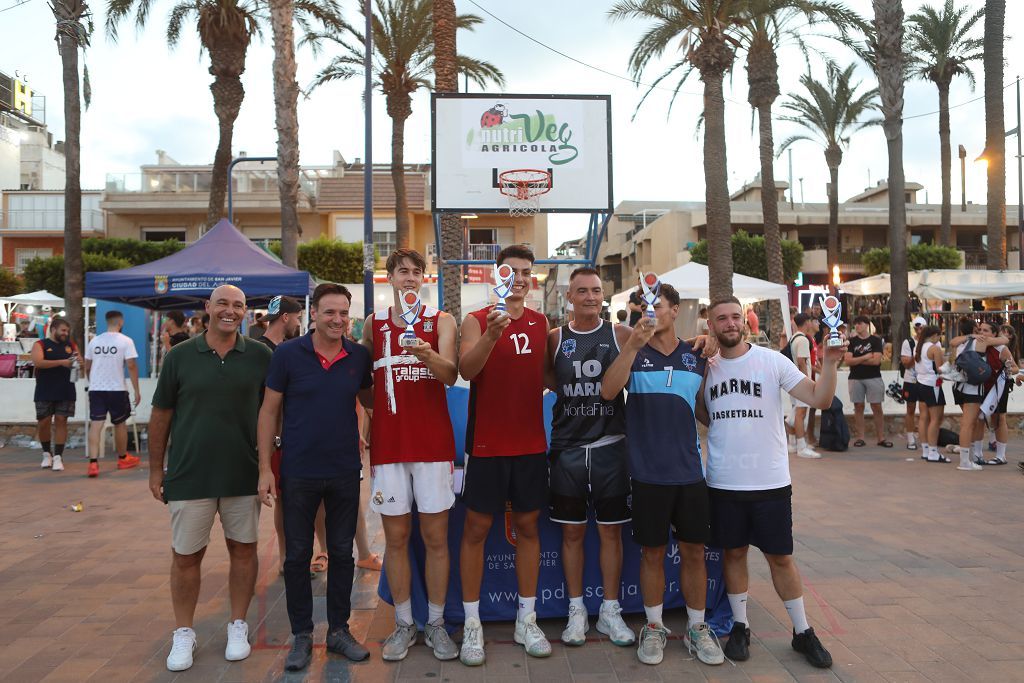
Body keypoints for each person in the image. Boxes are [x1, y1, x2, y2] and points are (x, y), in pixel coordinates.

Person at [699, 296, 842, 669]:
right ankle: (741, 627)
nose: (729, 323)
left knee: (781, 558)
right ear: (710, 325)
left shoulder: (771, 360)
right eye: (721, 319)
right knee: (733, 554)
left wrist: (828, 363)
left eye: (735, 317)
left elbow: (820, 398)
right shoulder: (705, 368)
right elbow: (698, 413)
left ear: (744, 322)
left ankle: (802, 631)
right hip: (724, 481)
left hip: (770, 480)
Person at [149, 285, 272, 672]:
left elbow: (273, 414)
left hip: (242, 473)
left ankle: (238, 624)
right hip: (189, 474)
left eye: (238, 305)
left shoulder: (261, 356)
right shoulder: (181, 356)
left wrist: (269, 467)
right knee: (186, 556)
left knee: (244, 551)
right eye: (223, 303)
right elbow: (161, 415)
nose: (230, 311)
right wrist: (156, 469)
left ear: (246, 313)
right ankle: (183, 632)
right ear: (207, 308)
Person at [600, 283, 723, 667]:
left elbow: (703, 410)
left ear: (675, 310)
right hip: (646, 475)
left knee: (694, 554)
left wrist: (712, 339)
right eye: (642, 306)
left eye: (656, 305)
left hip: (689, 474)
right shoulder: (633, 352)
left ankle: (698, 628)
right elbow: (607, 391)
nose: (648, 312)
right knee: (652, 554)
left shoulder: (696, 354)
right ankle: (653, 627)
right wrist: (633, 346)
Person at [257, 283, 373, 671]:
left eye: (344, 313)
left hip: (342, 470)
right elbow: (269, 411)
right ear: (314, 315)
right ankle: (302, 635)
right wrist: (264, 469)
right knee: (297, 557)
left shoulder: (358, 356)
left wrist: (363, 434)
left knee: (342, 553)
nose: (338, 320)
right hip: (298, 470)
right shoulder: (289, 354)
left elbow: (369, 403)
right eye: (330, 313)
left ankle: (339, 630)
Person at [361, 248, 459, 662]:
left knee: (436, 538)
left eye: (418, 272)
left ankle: (435, 623)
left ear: (425, 279)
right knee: (396, 539)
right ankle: (404, 623)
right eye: (403, 271)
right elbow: (366, 383)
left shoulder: (443, 321)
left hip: (433, 445)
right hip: (390, 447)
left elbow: (452, 374)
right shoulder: (374, 323)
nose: (411, 277)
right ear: (390, 278)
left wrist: (427, 354)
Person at [457, 245, 550, 666]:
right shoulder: (477, 320)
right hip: (487, 445)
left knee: (529, 529)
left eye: (527, 271)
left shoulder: (541, 321)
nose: (520, 277)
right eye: (512, 271)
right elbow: (466, 371)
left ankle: (526, 618)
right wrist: (493, 334)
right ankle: (473, 624)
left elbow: (551, 374)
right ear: (497, 276)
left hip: (530, 445)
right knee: (476, 530)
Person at [545, 267, 636, 652]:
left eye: (596, 291)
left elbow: (665, 344)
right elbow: (550, 382)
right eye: (581, 291)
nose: (590, 297)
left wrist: (704, 340)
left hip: (611, 446)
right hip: (567, 447)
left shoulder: (620, 335)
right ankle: (577, 610)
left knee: (611, 531)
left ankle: (611, 610)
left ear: (604, 295)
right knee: (571, 532)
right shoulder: (555, 339)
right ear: (569, 297)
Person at [254, 295, 305, 574]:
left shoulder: (280, 349)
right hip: (273, 439)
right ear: (285, 317)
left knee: (288, 501)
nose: (298, 323)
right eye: (297, 317)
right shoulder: (264, 351)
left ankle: (291, 556)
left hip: (286, 437)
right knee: (282, 501)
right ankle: (286, 557)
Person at [83, 310, 142, 477]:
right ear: (120, 322)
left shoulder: (94, 341)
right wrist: (137, 390)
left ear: (107, 322)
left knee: (96, 424)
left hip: (96, 389)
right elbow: (131, 366)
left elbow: (87, 366)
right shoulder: (126, 341)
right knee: (120, 423)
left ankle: (93, 463)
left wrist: (93, 380)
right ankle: (123, 458)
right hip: (117, 389)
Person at [31, 317, 79, 472]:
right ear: (53, 330)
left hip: (66, 389)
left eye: (67, 331)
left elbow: (80, 360)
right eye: (63, 330)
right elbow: (38, 362)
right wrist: (61, 362)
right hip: (45, 389)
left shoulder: (70, 345)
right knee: (43, 422)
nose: (66, 333)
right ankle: (47, 453)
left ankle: (58, 456)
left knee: (61, 421)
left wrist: (80, 362)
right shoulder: (40, 344)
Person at [844, 315, 890, 448]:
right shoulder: (851, 341)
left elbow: (876, 361)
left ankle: (881, 437)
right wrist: (866, 356)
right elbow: (848, 361)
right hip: (855, 378)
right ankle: (860, 437)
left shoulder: (875, 340)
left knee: (877, 407)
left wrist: (857, 360)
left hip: (873, 377)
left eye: (860, 323)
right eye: (856, 323)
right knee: (858, 407)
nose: (857, 326)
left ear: (866, 325)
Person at [977, 321, 1016, 466]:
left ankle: (1001, 456)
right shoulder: (977, 345)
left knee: (1000, 419)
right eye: (980, 330)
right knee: (979, 418)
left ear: (994, 334)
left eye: (986, 331)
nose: (982, 333)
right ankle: (977, 454)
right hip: (981, 386)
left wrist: (1007, 368)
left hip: (998, 387)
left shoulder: (1001, 348)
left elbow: (1015, 368)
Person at [785, 314, 821, 459]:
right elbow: (801, 361)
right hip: (800, 382)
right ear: (807, 323)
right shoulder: (803, 340)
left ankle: (792, 444)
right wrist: (806, 381)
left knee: (794, 413)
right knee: (800, 413)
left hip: (794, 381)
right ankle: (801, 447)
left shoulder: (794, 338)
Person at [913, 325, 947, 463]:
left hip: (920, 383)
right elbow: (941, 369)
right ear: (935, 335)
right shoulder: (934, 348)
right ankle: (933, 452)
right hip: (932, 385)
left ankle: (926, 450)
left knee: (923, 418)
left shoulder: (919, 347)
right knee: (935, 419)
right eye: (939, 336)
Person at [899, 317, 927, 450]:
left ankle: (925, 439)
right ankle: (910, 438)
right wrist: (917, 353)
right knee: (910, 409)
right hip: (911, 379)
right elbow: (906, 363)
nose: (919, 331)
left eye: (921, 328)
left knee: (926, 410)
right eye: (917, 328)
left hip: (926, 380)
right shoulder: (908, 342)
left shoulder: (932, 342)